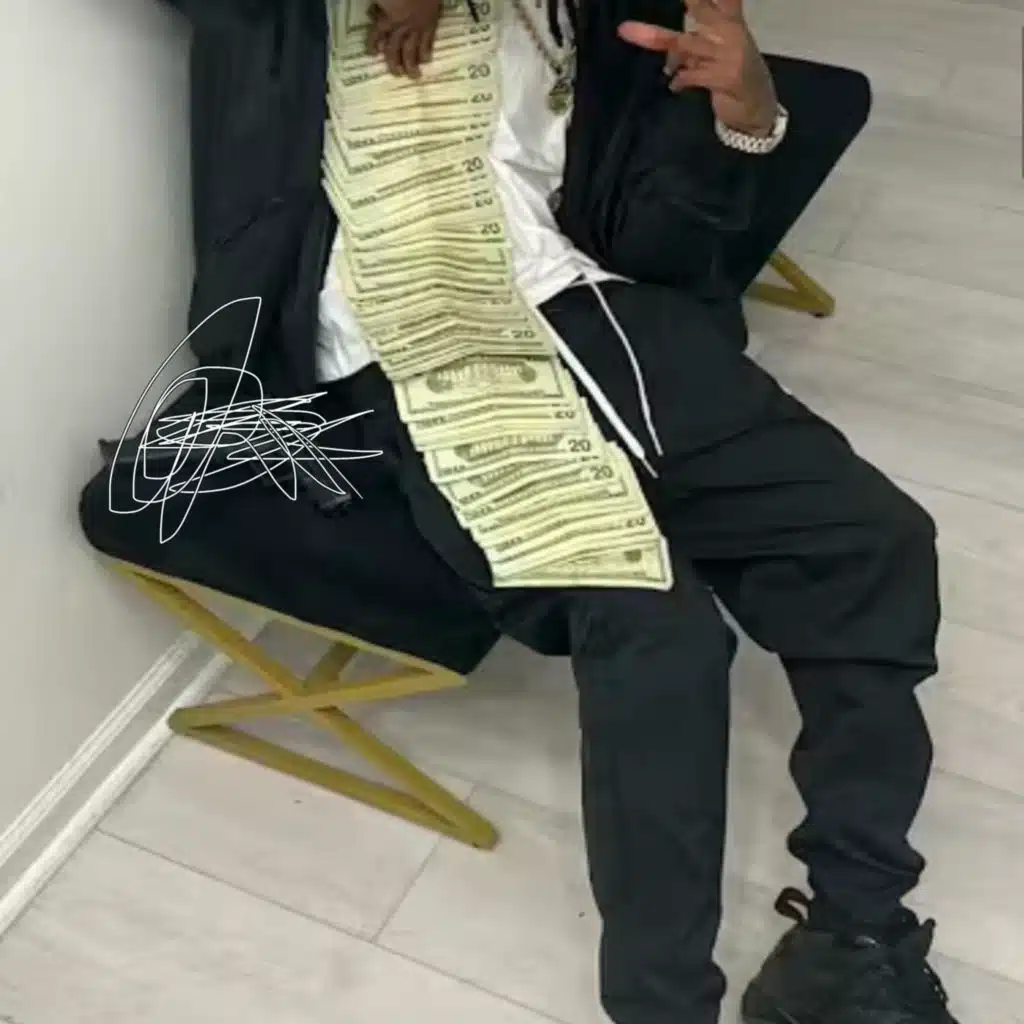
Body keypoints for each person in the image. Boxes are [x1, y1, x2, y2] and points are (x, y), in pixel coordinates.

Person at [164, 0, 959, 1020]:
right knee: (657, 632)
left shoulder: (604, 17)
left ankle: (851, 937)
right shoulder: (278, 22)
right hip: (415, 341)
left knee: (872, 541)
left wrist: (745, 116)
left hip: (594, 308)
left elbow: (665, 240)